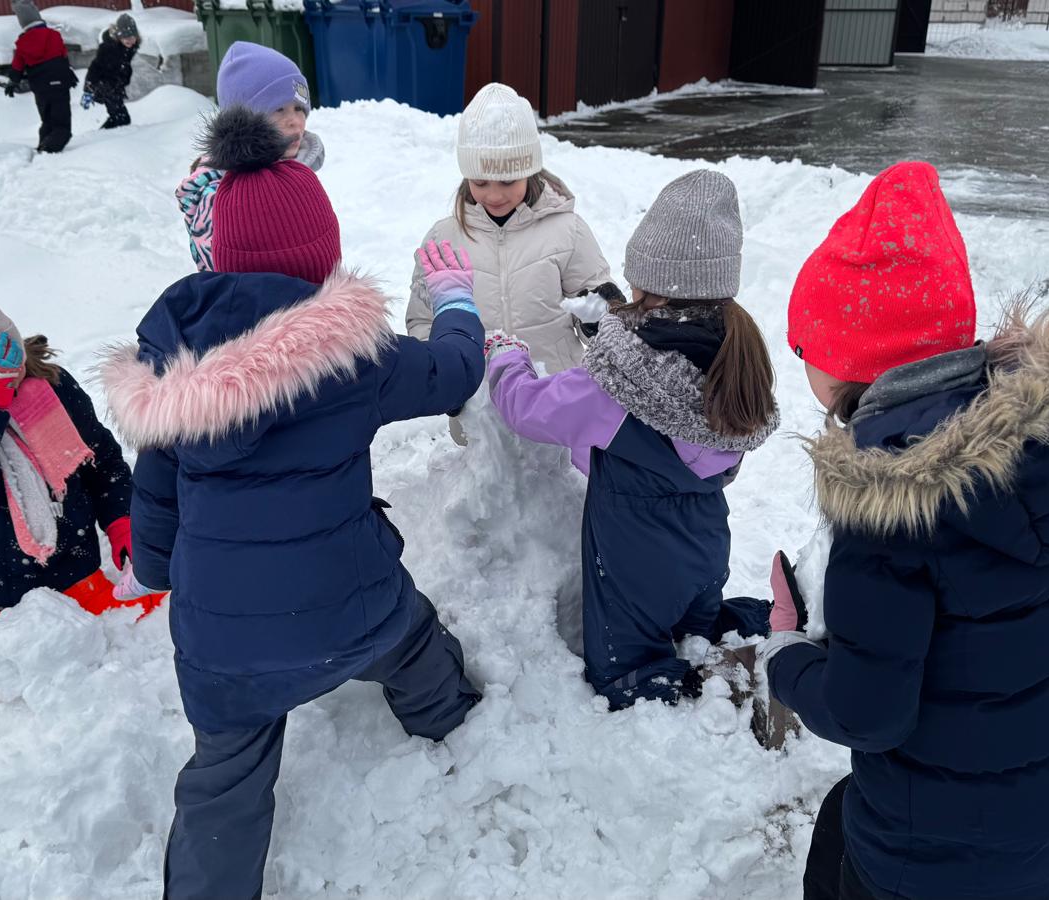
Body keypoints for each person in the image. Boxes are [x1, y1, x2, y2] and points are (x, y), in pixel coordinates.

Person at [102, 105, 485, 899]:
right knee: (414, 646)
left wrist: (163, 567)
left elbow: (159, 500)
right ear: (322, 259)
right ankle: (451, 718)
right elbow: (452, 373)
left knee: (225, 778)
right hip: (351, 611)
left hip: (222, 644)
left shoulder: (175, 377)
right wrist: (455, 305)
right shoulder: (356, 359)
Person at [758, 161, 1049, 900]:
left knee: (844, 848)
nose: (802, 364)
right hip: (1046, 823)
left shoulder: (888, 514)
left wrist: (786, 656)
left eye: (806, 350)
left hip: (921, 859)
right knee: (841, 815)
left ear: (847, 363)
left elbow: (869, 714)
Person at [485, 170, 780, 709]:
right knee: (700, 632)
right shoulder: (735, 355)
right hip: (705, 544)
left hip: (633, 560)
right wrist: (612, 326)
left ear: (647, 281)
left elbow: (526, 410)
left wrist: (507, 358)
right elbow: (666, 369)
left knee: (627, 675)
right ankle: (723, 663)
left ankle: (705, 707)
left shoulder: (612, 388)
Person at [0, 248, 164, 652]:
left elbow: (101, 461)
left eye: (10, 346)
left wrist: (124, 521)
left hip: (69, 568)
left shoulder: (49, 383)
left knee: (154, 609)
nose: (13, 365)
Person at [408, 82, 615, 378]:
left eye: (507, 182)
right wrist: (444, 374)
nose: (494, 195)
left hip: (553, 394)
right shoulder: (444, 240)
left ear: (529, 171)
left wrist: (600, 317)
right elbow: (423, 321)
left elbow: (599, 315)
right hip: (476, 402)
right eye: (480, 183)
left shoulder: (567, 231)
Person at [176, 41, 324, 270]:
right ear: (246, 120)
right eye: (279, 109)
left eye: (298, 108)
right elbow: (225, 268)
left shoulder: (297, 168)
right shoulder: (218, 192)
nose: (295, 120)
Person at [5, 0, 77, 154]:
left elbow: (17, 65)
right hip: (59, 83)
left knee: (47, 120)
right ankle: (49, 150)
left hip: (41, 88)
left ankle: (43, 146)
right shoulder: (54, 35)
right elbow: (62, 57)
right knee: (62, 125)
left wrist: (12, 82)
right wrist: (69, 74)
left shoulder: (22, 42)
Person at [83, 13, 138, 129]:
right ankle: (107, 139)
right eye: (126, 38)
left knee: (118, 117)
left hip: (116, 85)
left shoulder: (129, 48)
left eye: (132, 37)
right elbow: (94, 68)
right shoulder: (108, 48)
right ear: (119, 37)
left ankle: (103, 134)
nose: (130, 41)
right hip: (104, 85)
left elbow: (123, 65)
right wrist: (88, 90)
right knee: (122, 118)